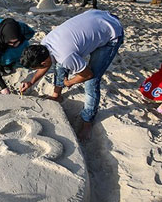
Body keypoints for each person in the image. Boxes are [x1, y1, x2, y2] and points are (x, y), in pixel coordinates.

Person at [19, 10, 124, 140]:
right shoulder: (45, 44)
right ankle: (56, 96)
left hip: (111, 31)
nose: (40, 68)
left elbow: (88, 75)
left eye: (38, 67)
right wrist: (31, 82)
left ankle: (87, 121)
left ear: (43, 61)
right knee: (59, 65)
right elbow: (47, 64)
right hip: (96, 18)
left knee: (92, 82)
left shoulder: (65, 56)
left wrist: (70, 82)